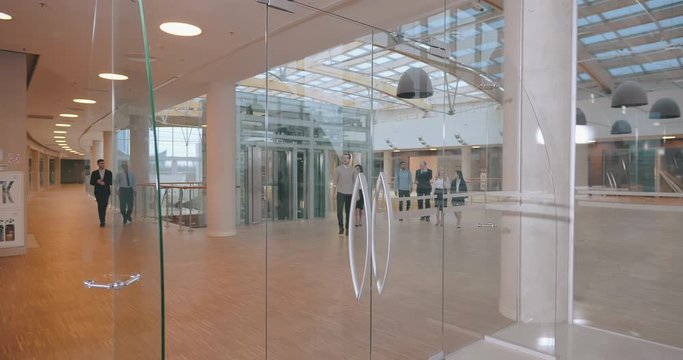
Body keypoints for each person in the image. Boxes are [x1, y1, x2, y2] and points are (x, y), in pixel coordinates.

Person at [333, 153, 355, 235]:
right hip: (340, 193)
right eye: (343, 158)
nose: (345, 159)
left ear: (349, 159)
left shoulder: (353, 170)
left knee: (349, 212)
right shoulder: (338, 169)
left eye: (346, 158)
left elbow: (356, 182)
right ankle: (340, 226)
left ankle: (348, 228)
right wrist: (334, 193)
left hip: (350, 193)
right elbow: (335, 182)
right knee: (339, 210)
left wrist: (357, 195)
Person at [90, 159, 112, 227]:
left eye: (103, 163)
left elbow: (110, 182)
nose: (102, 164)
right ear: (98, 164)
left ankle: (103, 218)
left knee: (104, 205)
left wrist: (104, 183)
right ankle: (102, 221)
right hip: (98, 192)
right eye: (100, 163)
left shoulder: (109, 172)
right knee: (100, 205)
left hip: (106, 191)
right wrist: (97, 181)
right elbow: (91, 182)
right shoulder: (94, 173)